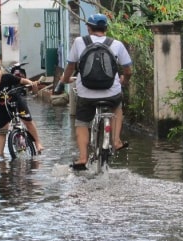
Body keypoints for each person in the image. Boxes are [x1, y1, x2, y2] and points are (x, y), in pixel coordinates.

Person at [56, 13, 132, 170]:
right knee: (117, 108)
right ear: (106, 28)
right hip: (111, 93)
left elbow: (70, 67)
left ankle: (83, 158)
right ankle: (116, 141)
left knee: (82, 121)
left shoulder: (79, 42)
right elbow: (128, 70)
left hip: (86, 94)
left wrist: (63, 81)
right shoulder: (116, 44)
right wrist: (124, 81)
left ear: (89, 28)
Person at [0, 61, 44, 156]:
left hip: (18, 103)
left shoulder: (8, 77)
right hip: (2, 109)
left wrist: (30, 83)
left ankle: (38, 143)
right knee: (2, 131)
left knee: (28, 122)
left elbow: (22, 81)